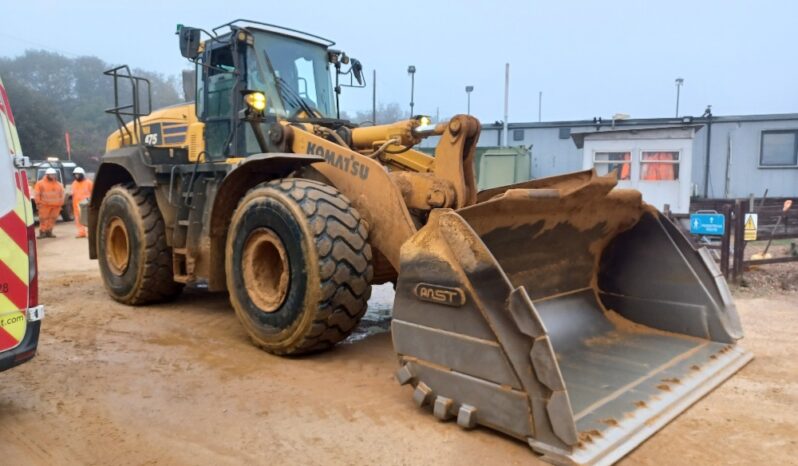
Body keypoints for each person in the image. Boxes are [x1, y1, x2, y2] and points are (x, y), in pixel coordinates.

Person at [33, 168, 65, 238]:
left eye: (53, 174)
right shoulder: (40, 183)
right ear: (47, 175)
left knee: (52, 219)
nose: (52, 176)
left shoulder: (59, 184)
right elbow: (37, 194)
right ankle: (42, 232)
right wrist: (38, 203)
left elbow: (62, 194)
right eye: (51, 175)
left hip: (56, 206)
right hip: (44, 205)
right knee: (43, 219)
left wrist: (61, 203)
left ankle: (49, 232)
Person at [71, 167, 93, 238]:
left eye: (78, 174)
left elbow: (93, 193)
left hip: (85, 205)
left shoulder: (89, 183)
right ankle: (81, 233)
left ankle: (90, 233)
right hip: (76, 205)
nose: (77, 176)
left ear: (82, 174)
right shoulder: (74, 183)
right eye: (75, 175)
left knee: (87, 219)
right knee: (78, 220)